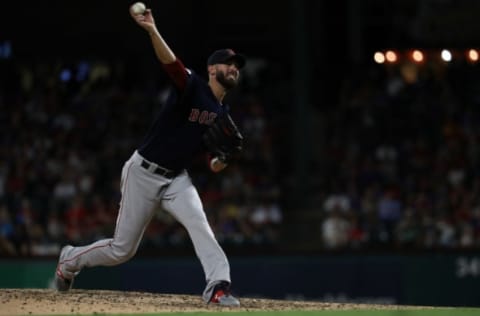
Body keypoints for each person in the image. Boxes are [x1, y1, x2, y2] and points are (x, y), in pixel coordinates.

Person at [53, 3, 246, 307]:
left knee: (200, 224)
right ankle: (69, 260)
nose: (234, 68)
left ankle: (218, 287)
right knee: (122, 250)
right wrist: (152, 29)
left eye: (237, 65)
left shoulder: (221, 112)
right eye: (228, 63)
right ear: (212, 69)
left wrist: (221, 160)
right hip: (143, 172)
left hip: (176, 180)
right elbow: (171, 65)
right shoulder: (193, 85)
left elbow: (209, 159)